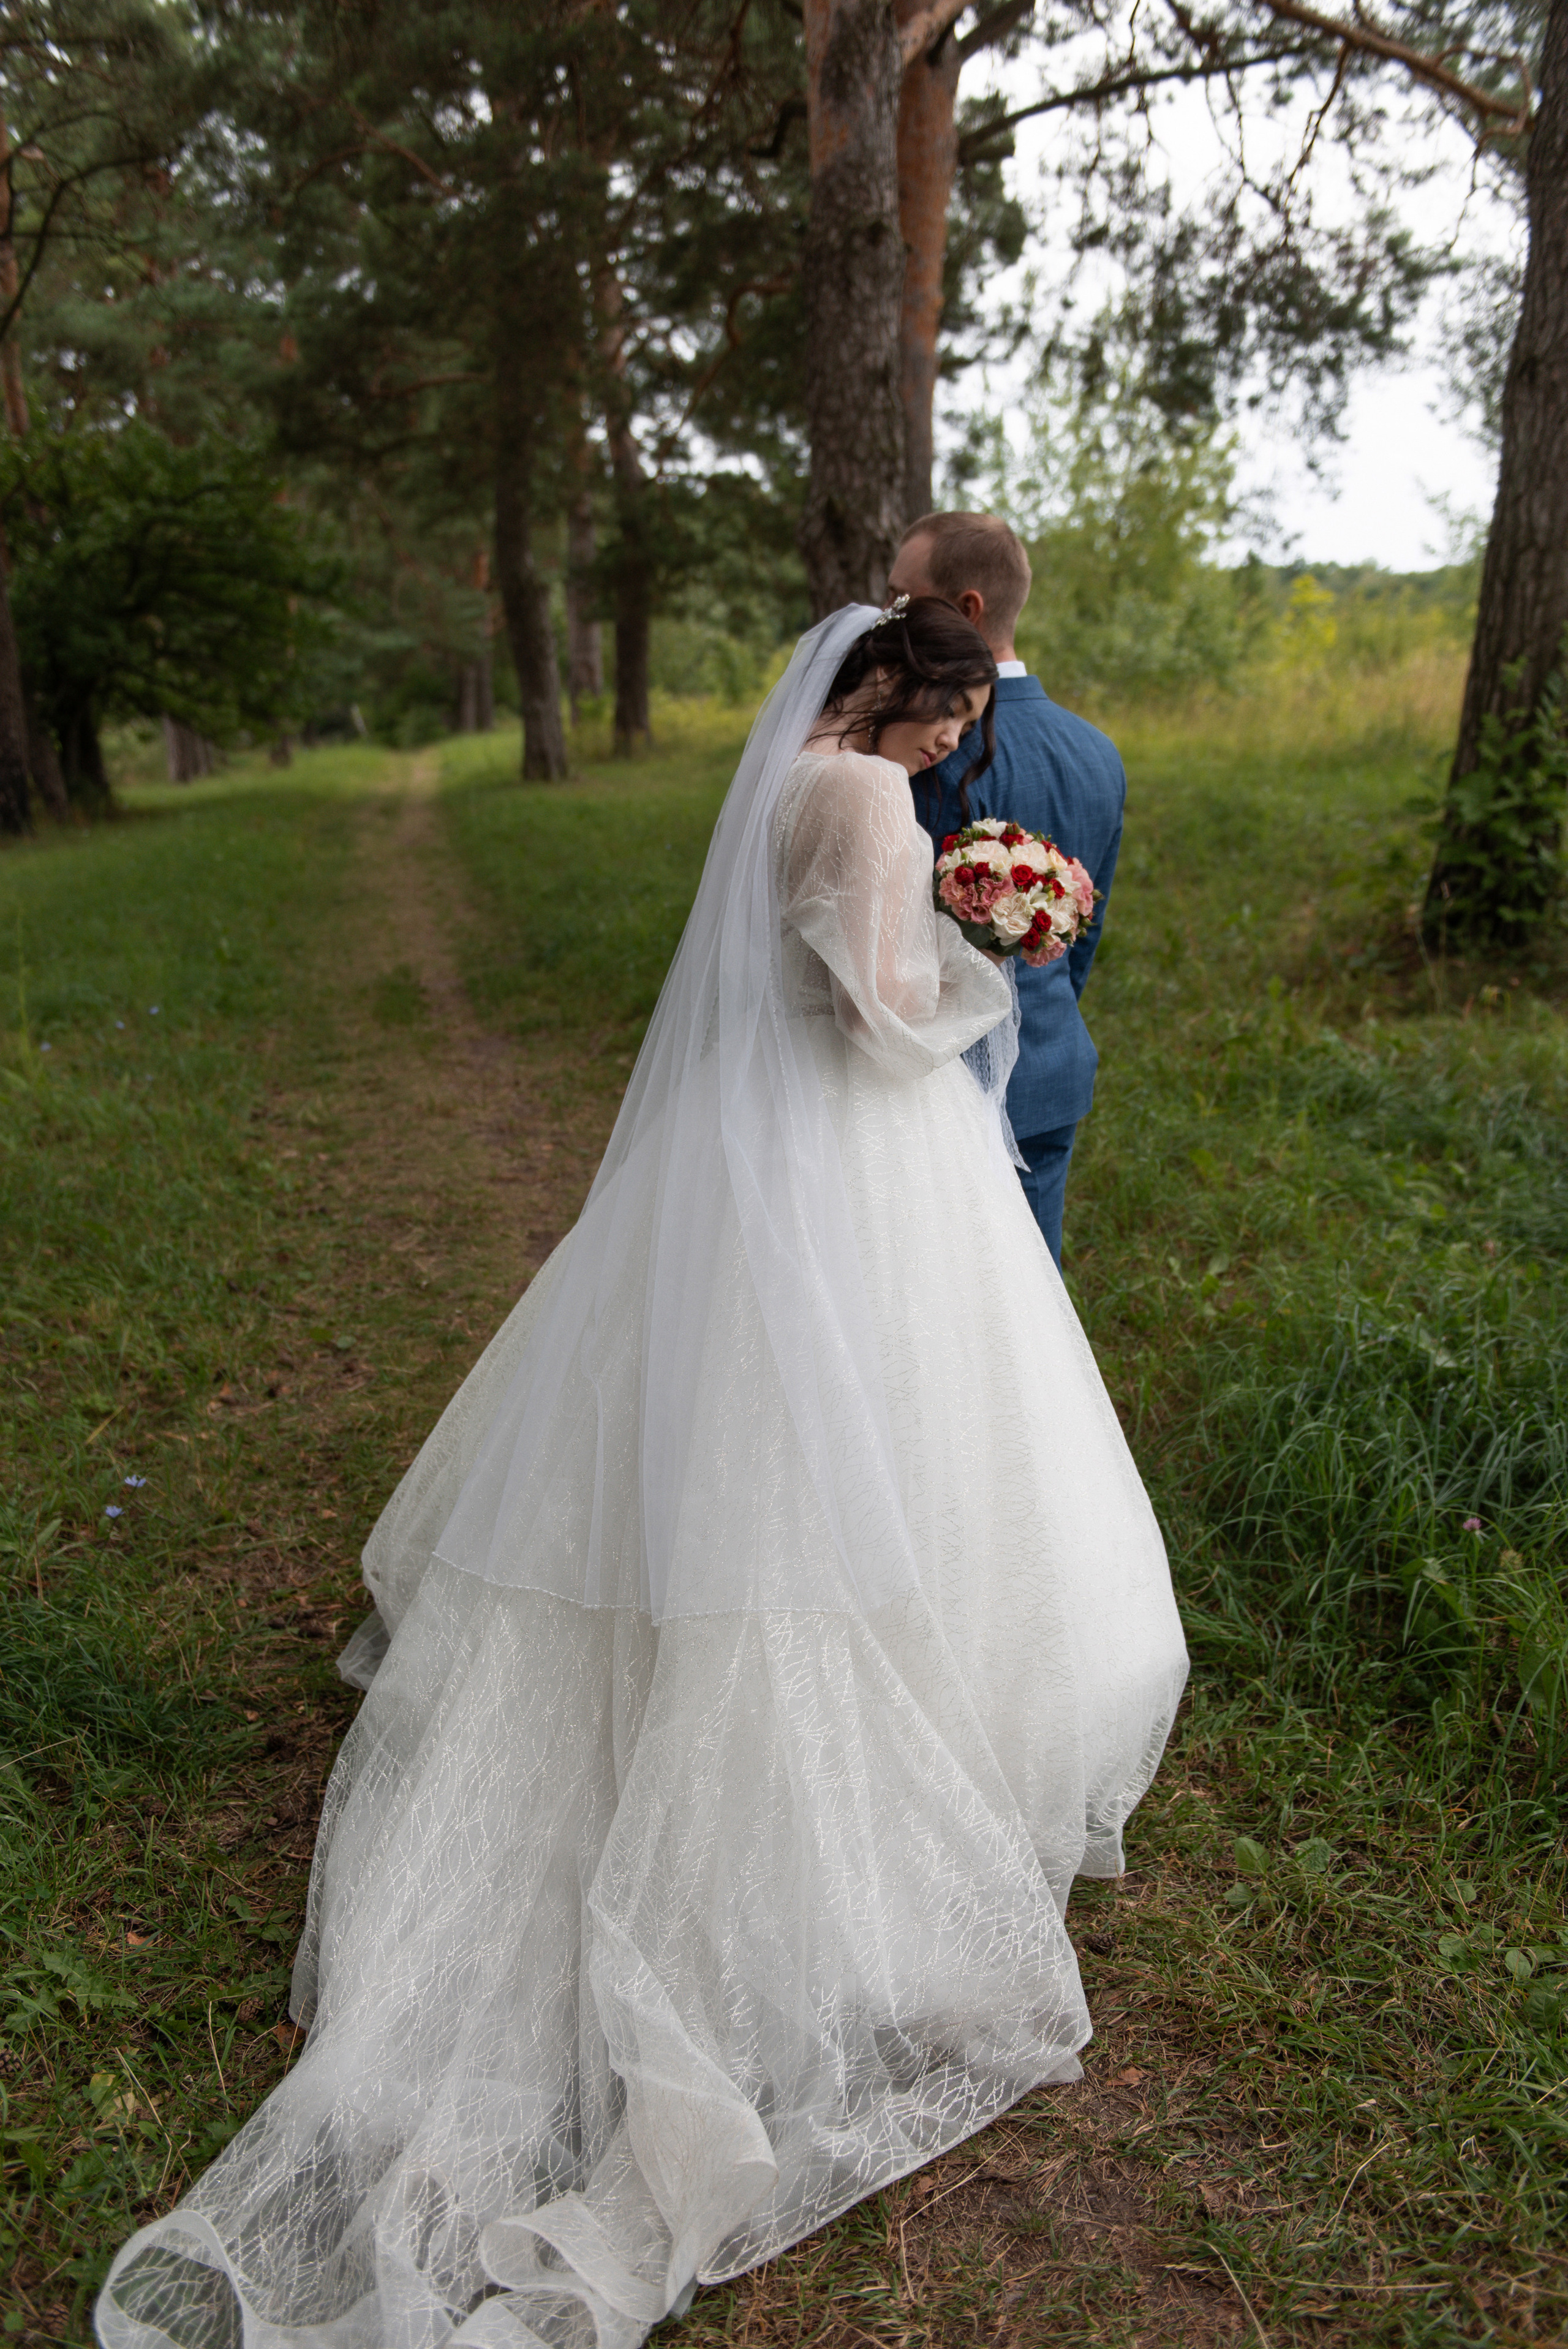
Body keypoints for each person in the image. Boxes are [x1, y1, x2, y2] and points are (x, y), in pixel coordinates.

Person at [97, 601, 1186, 2349]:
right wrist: (983, 953)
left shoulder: (788, 784)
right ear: (901, 689)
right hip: (854, 1156)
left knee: (722, 1437)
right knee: (870, 1452)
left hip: (739, 1161)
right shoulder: (874, 806)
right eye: (950, 712)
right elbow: (868, 1014)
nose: (952, 746)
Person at [889, 513, 1126, 1269]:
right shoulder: (1097, 752)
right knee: (1030, 1316)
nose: (889, 615)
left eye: (903, 597)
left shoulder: (917, 747)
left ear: (966, 610)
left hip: (931, 1090)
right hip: (1051, 1066)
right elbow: (1079, 938)